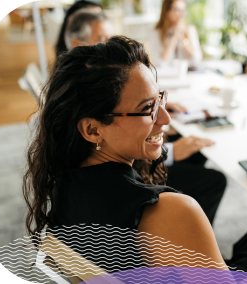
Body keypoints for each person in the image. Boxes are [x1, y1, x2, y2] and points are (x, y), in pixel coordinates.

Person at [23, 36, 247, 274]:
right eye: (147, 109)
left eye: (160, 99)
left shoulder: (63, 179)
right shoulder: (169, 212)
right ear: (93, 130)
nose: (165, 119)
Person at [63, 9, 226, 225]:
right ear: (93, 130)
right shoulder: (167, 209)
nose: (110, 47)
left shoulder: (67, 184)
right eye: (102, 41)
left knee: (198, 155)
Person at [149, 0, 203, 68]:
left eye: (183, 10)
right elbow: (160, 63)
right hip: (167, 76)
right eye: (178, 10)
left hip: (189, 75)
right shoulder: (156, 33)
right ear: (167, 11)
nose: (182, 14)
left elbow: (197, 60)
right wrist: (174, 36)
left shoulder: (190, 30)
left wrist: (183, 39)